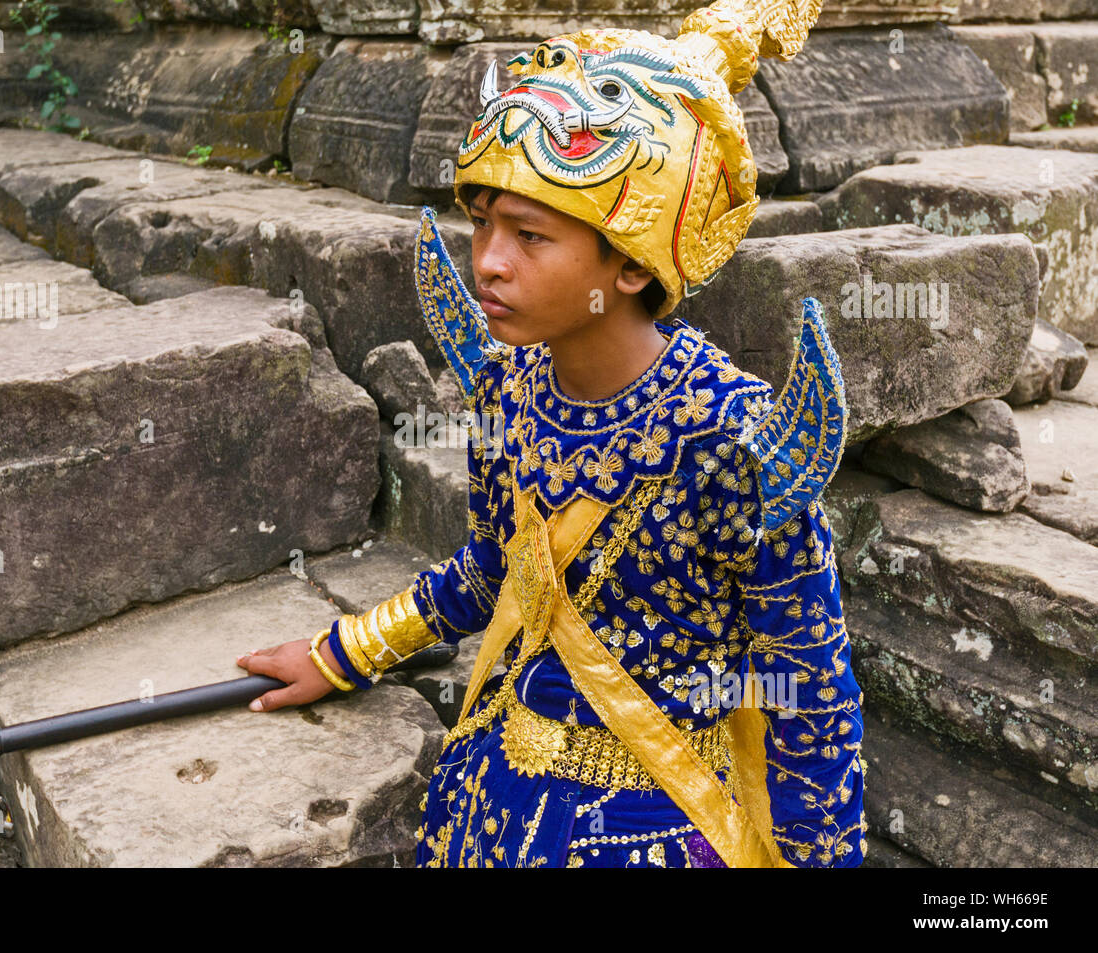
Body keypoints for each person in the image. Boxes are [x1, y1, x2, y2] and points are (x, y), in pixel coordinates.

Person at [236, 0, 867, 867]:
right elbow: (493, 570)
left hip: (658, 828)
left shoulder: (736, 442)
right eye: (483, 223)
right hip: (490, 798)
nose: (489, 261)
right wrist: (347, 650)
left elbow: (807, 691)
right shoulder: (510, 390)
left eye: (530, 235)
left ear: (633, 263)